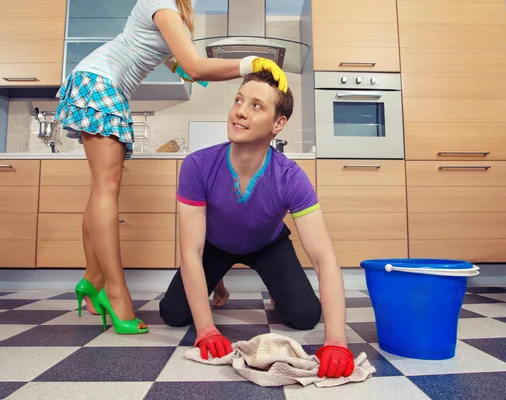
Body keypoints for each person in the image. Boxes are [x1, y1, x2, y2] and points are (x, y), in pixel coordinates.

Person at [56, 0, 288, 335]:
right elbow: (194, 67)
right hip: (102, 82)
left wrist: (213, 77)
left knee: (100, 189)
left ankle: (94, 279)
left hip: (102, 83)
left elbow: (181, 66)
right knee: (106, 188)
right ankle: (117, 295)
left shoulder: (171, 13)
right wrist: (251, 63)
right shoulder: (161, 3)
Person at [159, 70, 355, 379]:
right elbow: (191, 252)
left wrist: (337, 341)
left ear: (278, 124)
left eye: (256, 106)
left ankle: (275, 286)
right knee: (173, 314)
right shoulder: (197, 166)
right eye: (239, 100)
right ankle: (216, 280)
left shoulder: (290, 177)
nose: (239, 111)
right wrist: (207, 329)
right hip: (214, 245)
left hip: (268, 245)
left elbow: (323, 257)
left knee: (305, 316)